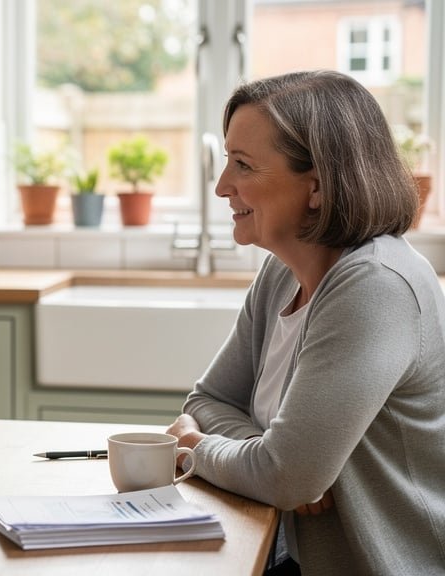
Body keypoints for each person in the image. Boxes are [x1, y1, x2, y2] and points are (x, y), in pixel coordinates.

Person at [166, 70, 445, 575]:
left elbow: (285, 477)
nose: (222, 186)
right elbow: (207, 401)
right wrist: (266, 457)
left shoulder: (375, 286)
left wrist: (194, 449)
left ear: (316, 187)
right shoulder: (282, 271)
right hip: (290, 553)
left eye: (243, 165)